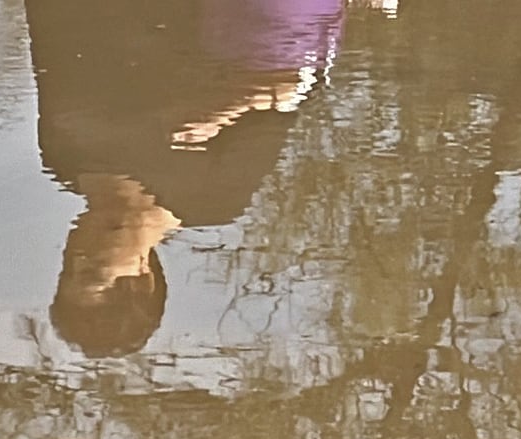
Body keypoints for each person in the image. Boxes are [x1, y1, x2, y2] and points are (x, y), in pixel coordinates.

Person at [24, 0, 349, 354]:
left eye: (67, 271)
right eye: (89, 274)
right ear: (142, 279)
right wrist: (224, 107)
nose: (77, 256)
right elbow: (292, 85)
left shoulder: (61, 157)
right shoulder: (215, 197)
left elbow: (50, 27)